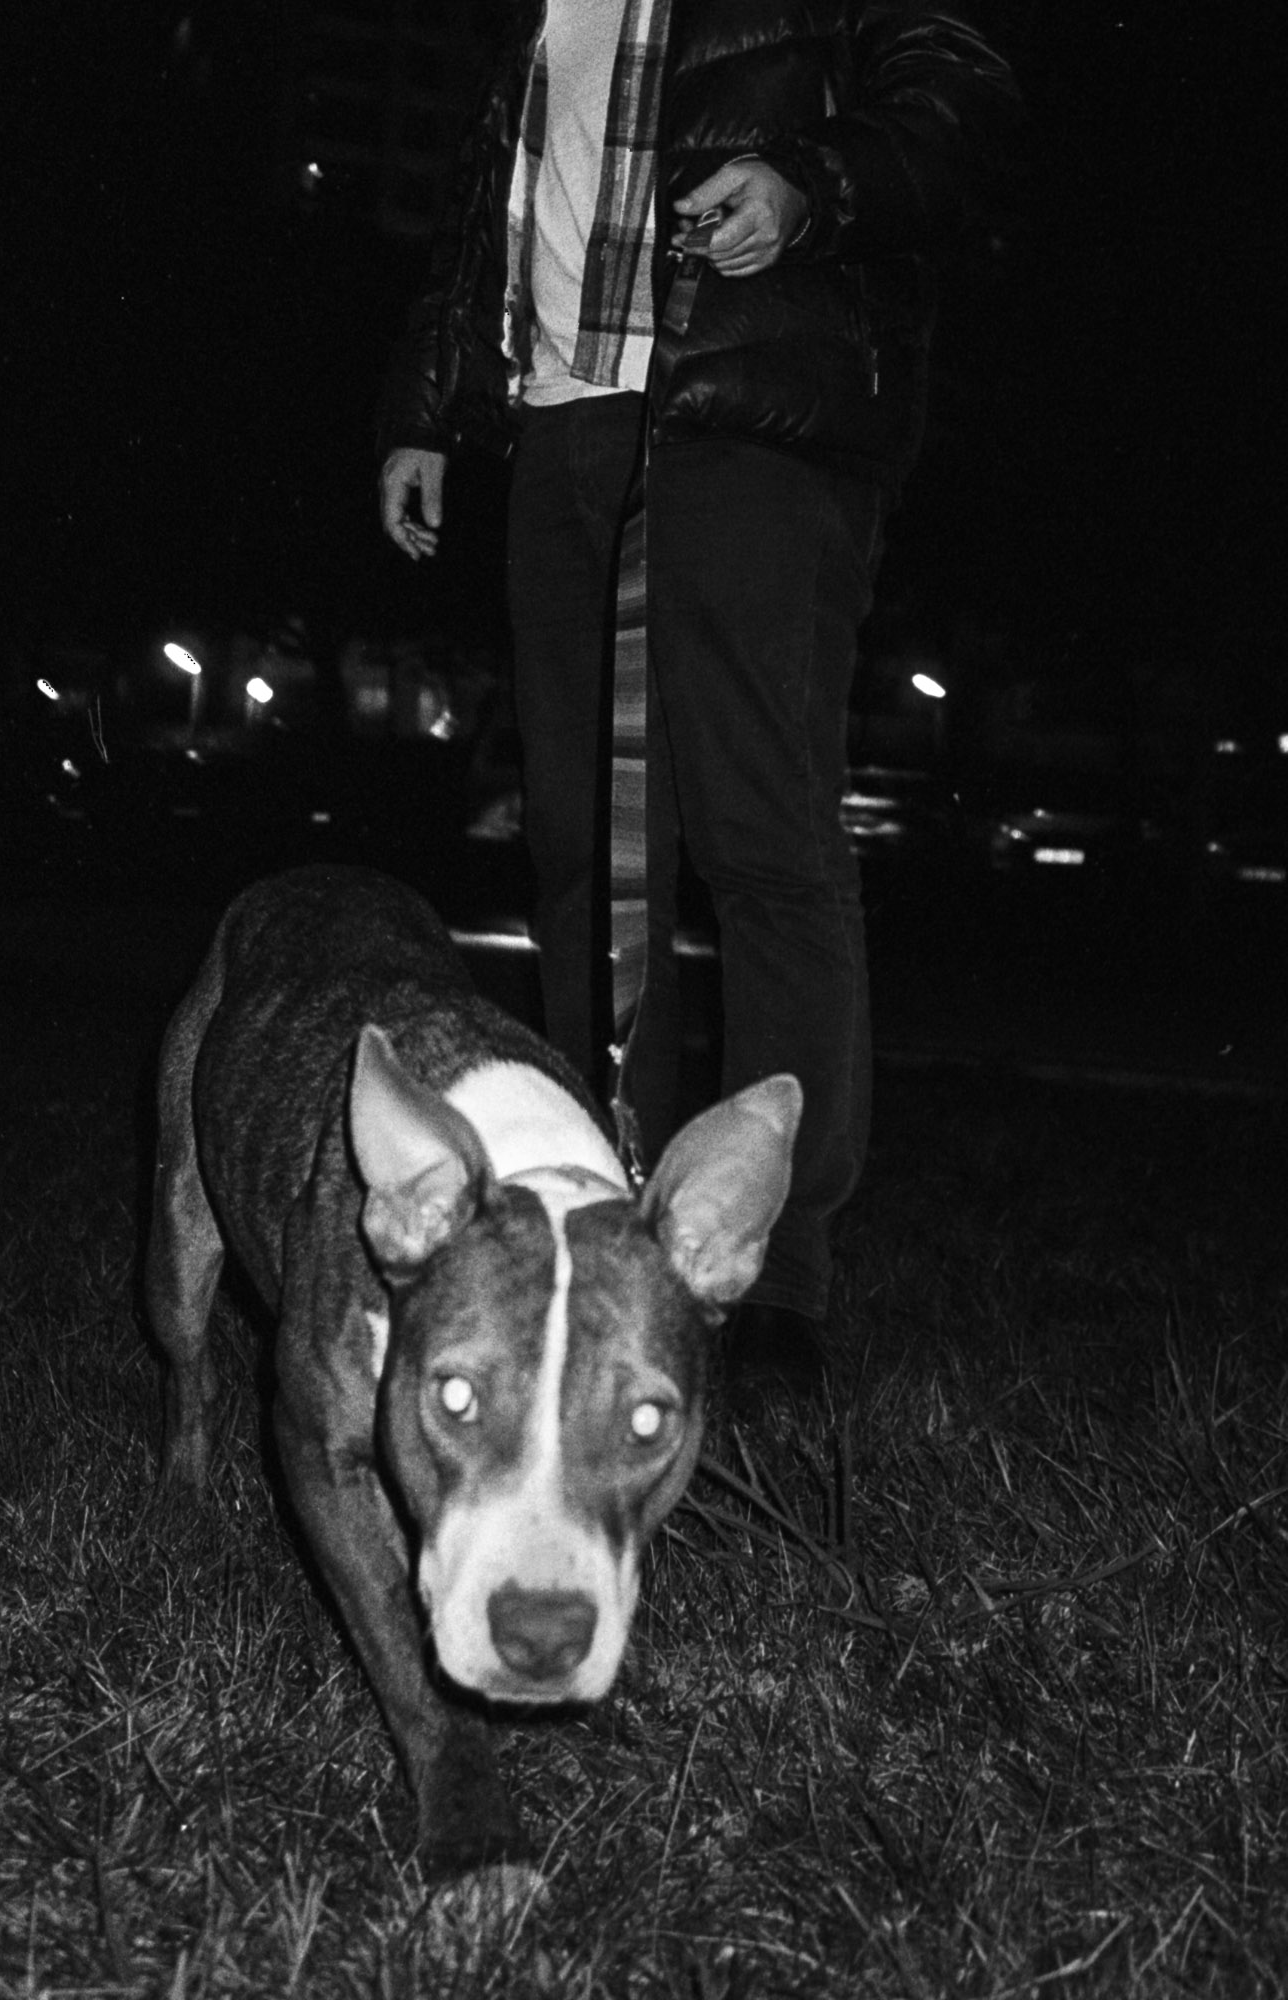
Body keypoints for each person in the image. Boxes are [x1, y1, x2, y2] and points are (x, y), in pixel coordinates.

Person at [377, 0, 1018, 1393]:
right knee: (577, 851)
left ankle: (774, 1279)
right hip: (562, 422)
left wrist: (810, 185)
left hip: (749, 411)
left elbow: (957, 100)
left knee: (758, 838)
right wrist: (430, 405)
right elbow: (498, 182)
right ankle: (588, 1218)